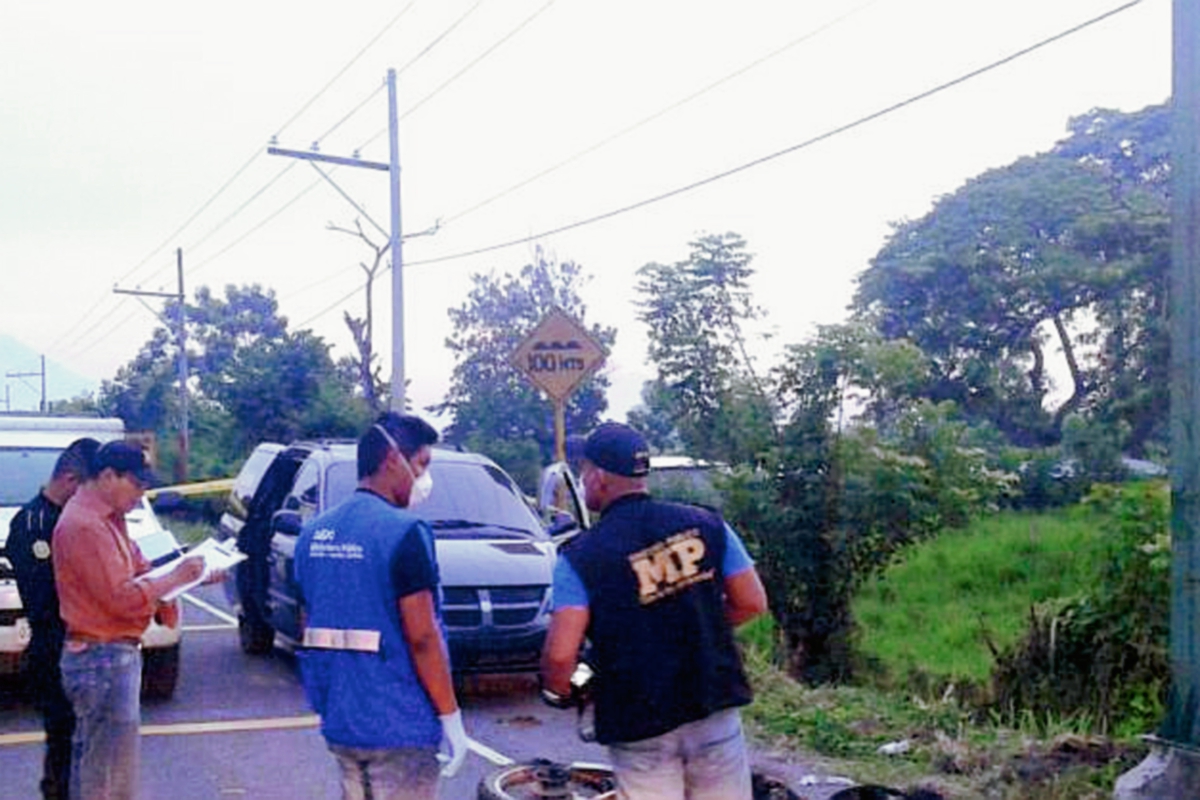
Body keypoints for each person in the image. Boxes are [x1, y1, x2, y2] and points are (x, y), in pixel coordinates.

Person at [540, 421, 769, 800]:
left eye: (582, 474)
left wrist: (560, 688)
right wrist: (697, 629)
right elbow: (751, 602)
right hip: (713, 703)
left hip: (639, 719)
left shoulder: (581, 556)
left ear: (597, 478)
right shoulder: (707, 524)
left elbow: (561, 655)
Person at [294, 412, 470, 800]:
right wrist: (450, 717)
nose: (425, 480)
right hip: (400, 723)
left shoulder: (312, 535)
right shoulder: (404, 533)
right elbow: (422, 636)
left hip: (341, 720)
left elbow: (307, 623)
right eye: (422, 465)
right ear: (393, 460)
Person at [53, 441, 206, 800]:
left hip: (109, 655)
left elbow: (141, 568)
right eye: (137, 485)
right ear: (108, 476)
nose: (141, 495)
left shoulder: (110, 519)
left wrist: (195, 572)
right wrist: (178, 578)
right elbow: (120, 597)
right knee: (105, 775)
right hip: (100, 657)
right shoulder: (85, 525)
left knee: (105, 766)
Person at [8, 437, 100, 799]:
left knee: (87, 740)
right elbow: (45, 596)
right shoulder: (32, 523)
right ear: (71, 481)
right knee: (63, 737)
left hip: (87, 644)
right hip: (55, 645)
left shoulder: (76, 518)